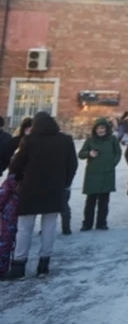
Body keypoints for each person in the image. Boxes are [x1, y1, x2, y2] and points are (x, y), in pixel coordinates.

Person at [0, 111, 77, 280]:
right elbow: (73, 165)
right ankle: (43, 265)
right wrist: (65, 184)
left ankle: (19, 266)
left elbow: (15, 165)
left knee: (24, 228)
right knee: (49, 228)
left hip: (30, 190)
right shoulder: (66, 140)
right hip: (54, 191)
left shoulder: (30, 140)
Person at [78, 118, 122, 231]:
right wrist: (89, 153)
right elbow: (81, 154)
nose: (100, 130)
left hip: (107, 174)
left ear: (107, 129)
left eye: (102, 128)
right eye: (98, 128)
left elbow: (118, 153)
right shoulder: (90, 140)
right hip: (93, 174)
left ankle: (101, 223)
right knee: (90, 201)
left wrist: (112, 164)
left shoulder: (112, 140)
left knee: (104, 201)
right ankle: (87, 223)